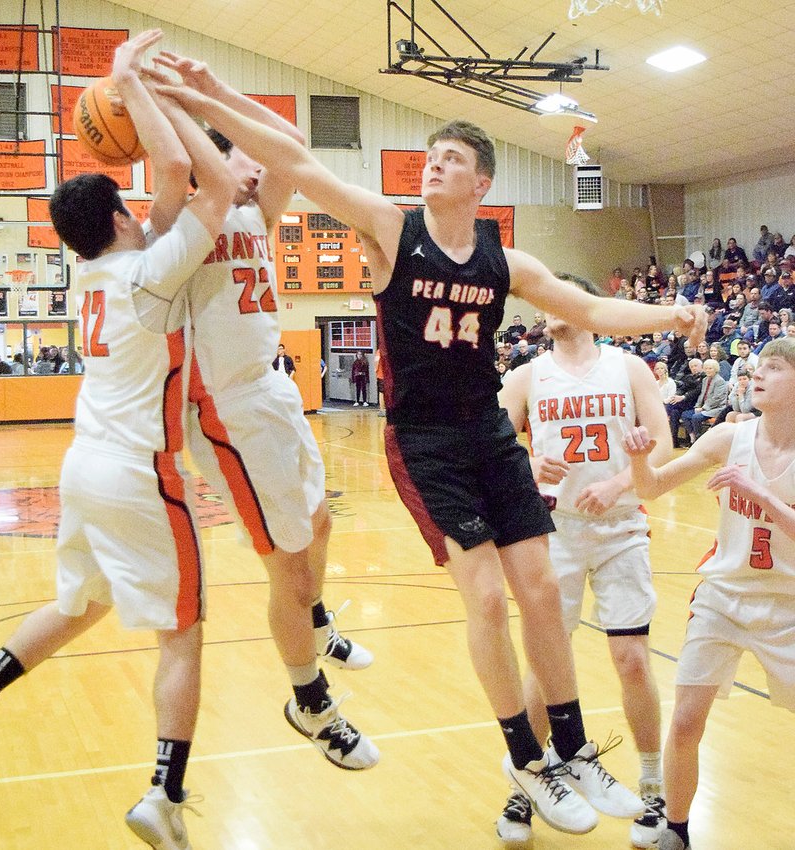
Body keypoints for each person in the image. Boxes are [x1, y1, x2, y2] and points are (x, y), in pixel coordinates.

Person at [158, 90, 708, 835]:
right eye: (431, 157)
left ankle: (573, 747)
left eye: (452, 160)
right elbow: (295, 160)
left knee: (542, 591)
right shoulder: (391, 227)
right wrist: (203, 98)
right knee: (485, 600)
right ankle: (526, 755)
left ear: (481, 183)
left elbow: (594, 312)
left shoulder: (502, 259)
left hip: (486, 429)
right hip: (423, 440)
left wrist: (668, 314)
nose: (435, 167)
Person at [0, 30, 234, 850]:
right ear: (123, 217)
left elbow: (166, 194)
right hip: (140, 470)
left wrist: (138, 96)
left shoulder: (95, 270)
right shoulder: (150, 271)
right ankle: (165, 794)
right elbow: (197, 181)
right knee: (185, 628)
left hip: (84, 464)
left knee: (78, 605)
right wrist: (132, 84)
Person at [149, 49, 377, 772]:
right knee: (288, 563)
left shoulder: (257, 213)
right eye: (241, 160)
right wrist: (173, 108)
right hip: (225, 412)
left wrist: (215, 92)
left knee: (318, 521)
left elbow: (293, 149)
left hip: (273, 392)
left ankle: (315, 623)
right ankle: (309, 700)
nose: (256, 165)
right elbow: (187, 168)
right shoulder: (183, 225)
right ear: (215, 167)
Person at [498, 273, 672, 848]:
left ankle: (653, 786)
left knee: (632, 660)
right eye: (543, 299)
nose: (549, 307)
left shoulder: (628, 368)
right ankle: (528, 785)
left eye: (560, 296)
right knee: (547, 665)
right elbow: (489, 448)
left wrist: (623, 482)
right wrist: (525, 464)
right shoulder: (527, 375)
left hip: (621, 528)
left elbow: (665, 445)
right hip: (556, 531)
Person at [621, 337, 795, 850]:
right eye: (757, 366)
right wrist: (637, 460)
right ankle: (676, 830)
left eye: (776, 367)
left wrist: (759, 493)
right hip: (722, 597)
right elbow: (651, 488)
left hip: (788, 604)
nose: (758, 374)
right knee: (687, 719)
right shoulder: (727, 437)